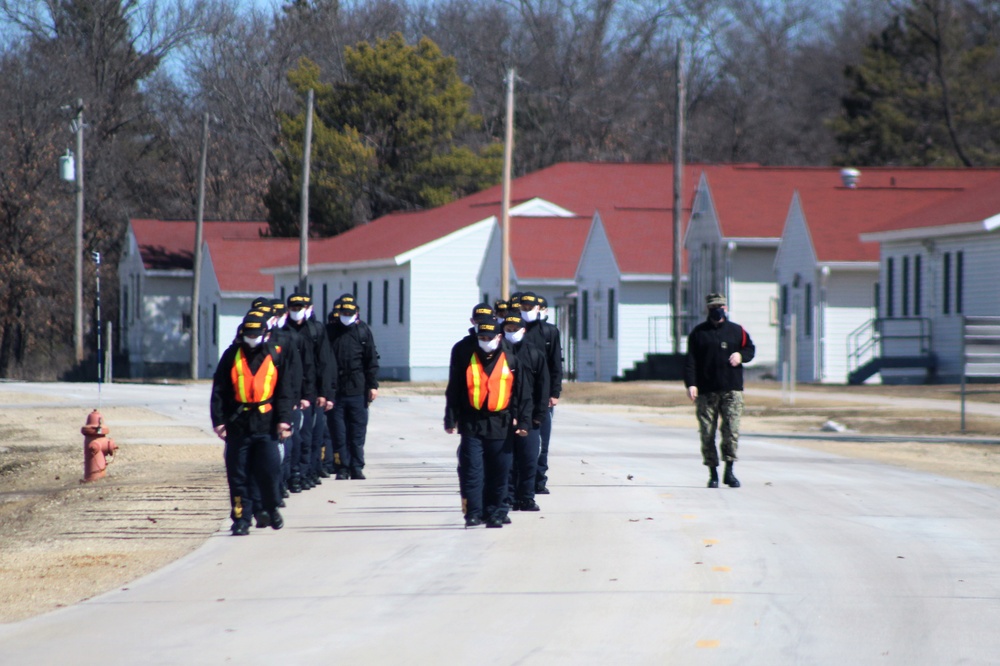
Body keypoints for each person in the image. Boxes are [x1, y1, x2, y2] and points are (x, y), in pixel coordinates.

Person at [210, 311, 294, 535]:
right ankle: (241, 518)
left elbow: (285, 392)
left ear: (265, 334)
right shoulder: (231, 356)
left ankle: (270, 508)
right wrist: (219, 421)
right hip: (239, 424)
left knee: (269, 471)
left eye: (256, 334)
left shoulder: (276, 355)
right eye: (249, 334)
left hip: (267, 424)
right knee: (238, 475)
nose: (252, 338)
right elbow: (219, 390)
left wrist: (284, 421)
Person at [445, 320, 530, 528]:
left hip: (501, 423)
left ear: (499, 337)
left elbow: (522, 394)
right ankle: (473, 513)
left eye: (489, 338)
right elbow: (454, 389)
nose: (485, 341)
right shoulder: (467, 359)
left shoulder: (511, 361)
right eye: (481, 338)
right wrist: (450, 418)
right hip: (471, 423)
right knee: (472, 471)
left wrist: (523, 422)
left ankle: (496, 512)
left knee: (499, 472)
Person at [683, 292, 755, 489]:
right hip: (706, 391)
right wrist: (691, 384)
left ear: (726, 308)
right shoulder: (698, 333)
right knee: (707, 432)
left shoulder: (737, 331)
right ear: (707, 309)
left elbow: (750, 349)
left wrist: (741, 356)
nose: (717, 311)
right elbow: (690, 361)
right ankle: (712, 473)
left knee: (731, 430)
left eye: (720, 307)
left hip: (732, 389)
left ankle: (729, 471)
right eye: (713, 307)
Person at [327, 296, 380, 480]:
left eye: (350, 313)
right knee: (338, 433)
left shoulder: (363, 331)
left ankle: (356, 466)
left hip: (358, 388)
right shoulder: (330, 331)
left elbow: (371, 360)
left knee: (357, 432)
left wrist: (372, 385)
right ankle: (342, 467)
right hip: (335, 390)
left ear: (356, 313)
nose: (346, 316)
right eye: (344, 313)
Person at [502, 313, 549, 513]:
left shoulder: (534, 354)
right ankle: (509, 497)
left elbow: (543, 387)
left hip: (529, 416)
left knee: (529, 460)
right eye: (508, 329)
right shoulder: (499, 354)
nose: (512, 333)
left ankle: (526, 498)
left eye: (516, 329)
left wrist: (539, 416)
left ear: (524, 330)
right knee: (508, 461)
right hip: (504, 416)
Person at [519, 292, 563, 495]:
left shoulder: (549, 332)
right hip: (520, 395)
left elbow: (556, 364)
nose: (527, 311)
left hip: (542, 395)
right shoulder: (516, 330)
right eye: (524, 307)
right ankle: (519, 482)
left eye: (531, 308)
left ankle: (539, 479)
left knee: (542, 440)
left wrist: (554, 393)